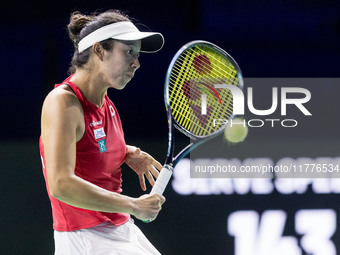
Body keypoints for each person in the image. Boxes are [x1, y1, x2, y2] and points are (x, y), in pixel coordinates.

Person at [39, 10, 166, 255]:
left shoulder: (106, 105)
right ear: (99, 50)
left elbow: (89, 146)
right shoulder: (63, 103)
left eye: (137, 55)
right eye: (129, 52)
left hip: (119, 229)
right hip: (86, 238)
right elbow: (60, 184)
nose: (137, 63)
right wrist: (134, 205)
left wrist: (127, 152)